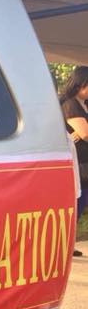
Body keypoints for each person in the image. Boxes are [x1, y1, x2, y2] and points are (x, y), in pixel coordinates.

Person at [59, 66, 88, 257]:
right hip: (80, 163)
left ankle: (67, 244)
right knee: (78, 202)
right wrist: (81, 131)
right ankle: (63, 245)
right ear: (80, 84)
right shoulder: (70, 104)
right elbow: (85, 134)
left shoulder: (84, 104)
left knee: (81, 202)